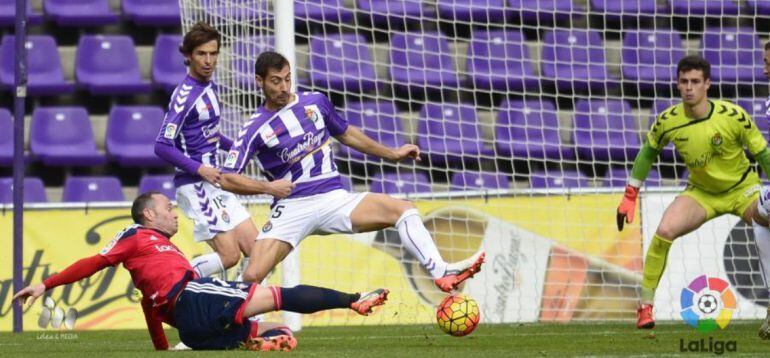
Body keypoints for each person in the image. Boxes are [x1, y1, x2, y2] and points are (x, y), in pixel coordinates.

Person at [217, 51, 484, 292]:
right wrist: (268, 188)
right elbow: (227, 177)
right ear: (259, 81)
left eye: (288, 79)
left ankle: (441, 271)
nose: (284, 87)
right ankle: (222, 329)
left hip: (334, 198)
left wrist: (392, 153)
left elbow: (347, 134)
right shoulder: (253, 128)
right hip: (292, 207)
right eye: (276, 81)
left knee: (404, 209)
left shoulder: (315, 102)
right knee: (251, 276)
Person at [13, 192, 388, 351]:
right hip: (191, 296)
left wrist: (161, 348)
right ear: (148, 214)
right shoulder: (134, 235)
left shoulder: (157, 253)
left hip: (190, 327)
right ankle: (354, 300)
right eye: (168, 208)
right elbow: (93, 262)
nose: (175, 213)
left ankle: (257, 339)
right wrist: (46, 285)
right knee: (276, 295)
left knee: (272, 330)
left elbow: (148, 304)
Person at [617, 55, 770, 337]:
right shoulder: (667, 121)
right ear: (677, 85)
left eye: (695, 82)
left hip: (742, 188)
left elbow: (762, 153)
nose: (689, 87)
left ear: (707, 84)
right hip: (701, 193)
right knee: (664, 230)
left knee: (766, 221)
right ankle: (645, 306)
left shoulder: (733, 116)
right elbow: (647, 153)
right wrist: (630, 194)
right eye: (684, 82)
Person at [153, 22, 286, 279]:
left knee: (260, 256)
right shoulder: (184, 97)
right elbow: (161, 145)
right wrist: (200, 168)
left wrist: (243, 149)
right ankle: (175, 284)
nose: (208, 60)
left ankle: (234, 308)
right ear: (188, 55)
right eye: (202, 54)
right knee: (229, 257)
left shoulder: (210, 88)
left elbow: (210, 136)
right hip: (195, 185)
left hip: (217, 183)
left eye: (213, 53)